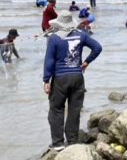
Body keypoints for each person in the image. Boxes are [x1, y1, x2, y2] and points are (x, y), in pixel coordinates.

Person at [42, 21, 103, 149]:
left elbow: (50, 60)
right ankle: (72, 141)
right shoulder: (82, 35)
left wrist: (46, 80)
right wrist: (86, 62)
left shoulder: (54, 38)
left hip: (60, 78)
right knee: (74, 110)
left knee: (56, 109)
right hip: (77, 77)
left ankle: (58, 143)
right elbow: (97, 47)